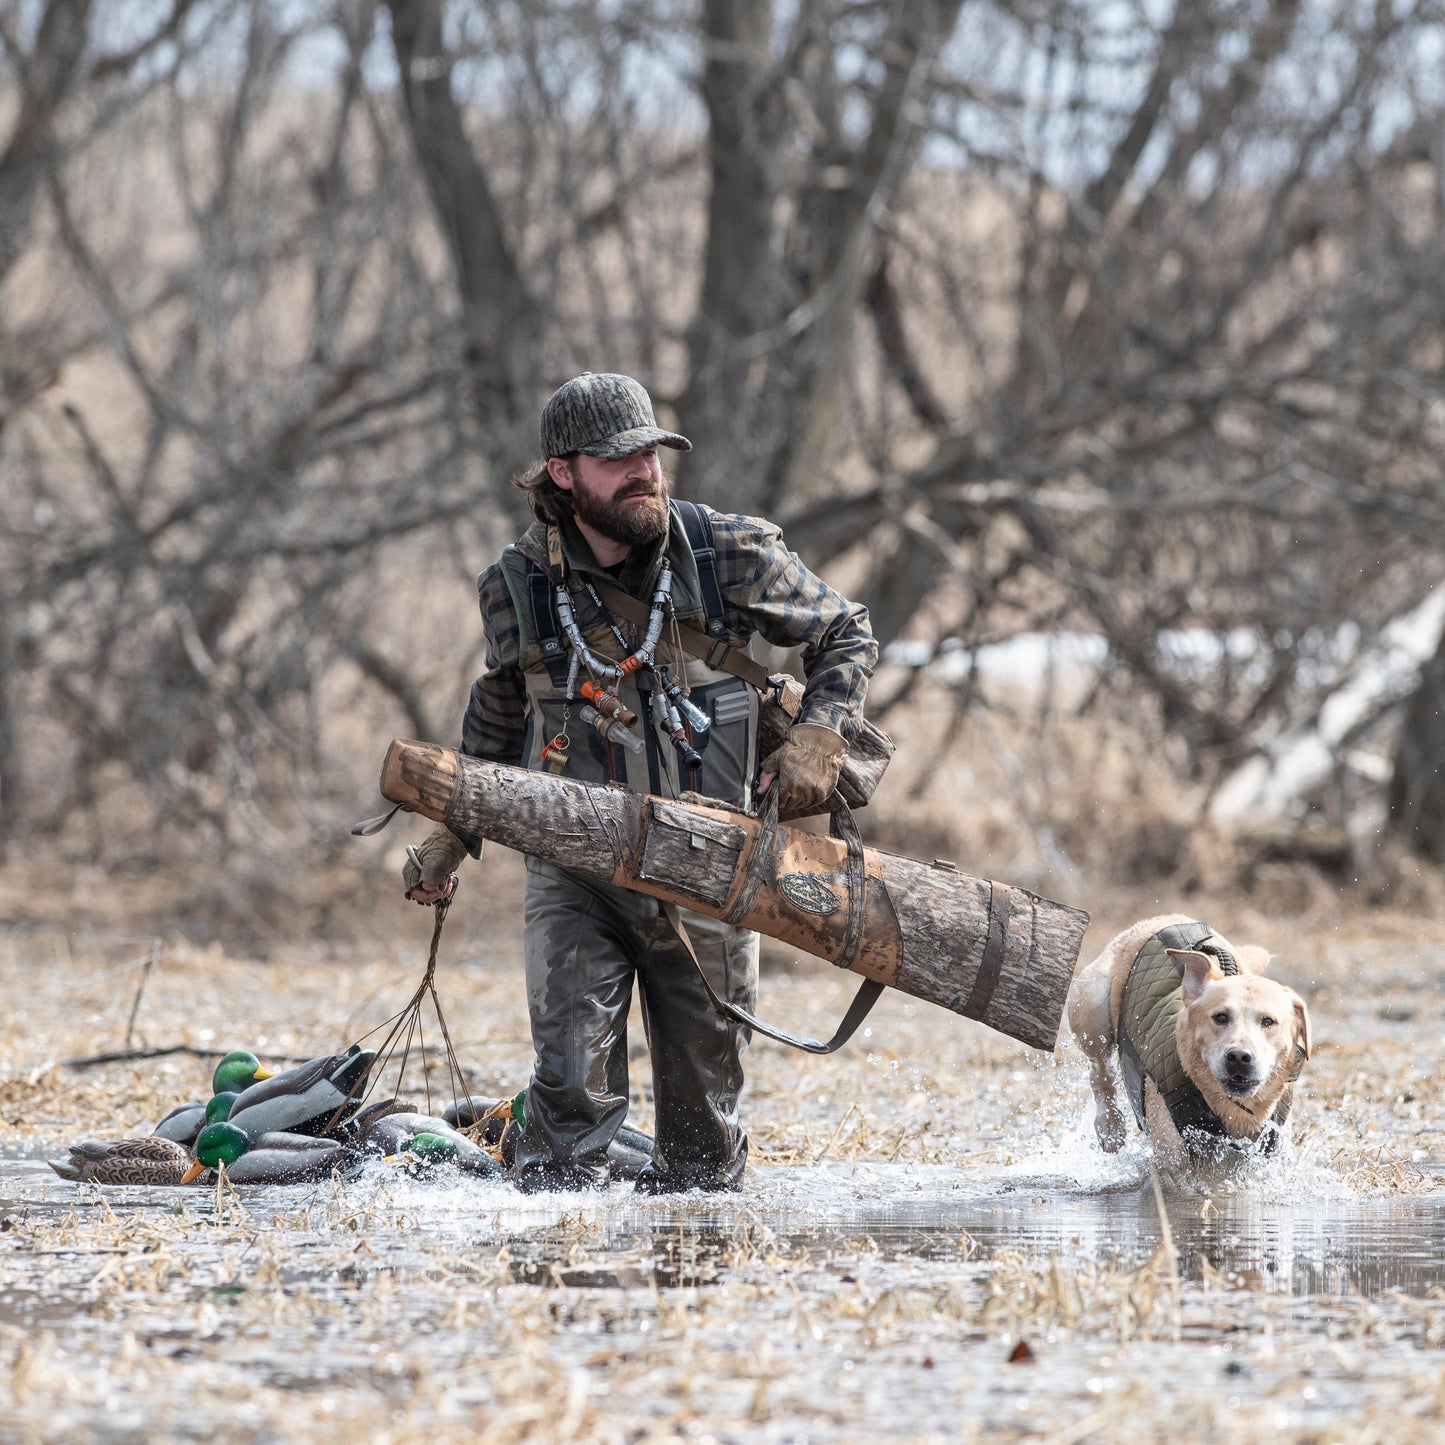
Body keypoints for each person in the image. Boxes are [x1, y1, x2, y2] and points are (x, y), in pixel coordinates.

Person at [403, 372, 877, 1193]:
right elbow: (500, 706)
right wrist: (453, 829)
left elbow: (845, 629)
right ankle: (571, 1291)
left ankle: (687, 1304)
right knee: (566, 1117)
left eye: (652, 453)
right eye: (619, 459)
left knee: (703, 1152)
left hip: (713, 872)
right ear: (563, 473)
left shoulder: (725, 550)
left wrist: (819, 734)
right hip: (575, 877)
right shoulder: (515, 585)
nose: (645, 472)